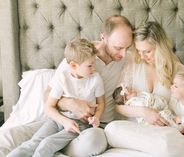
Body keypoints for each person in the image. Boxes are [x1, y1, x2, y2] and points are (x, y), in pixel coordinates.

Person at [115, 21, 184, 157]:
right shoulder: (133, 65)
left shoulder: (176, 69)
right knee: (111, 129)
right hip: (135, 129)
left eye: (147, 51)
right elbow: (118, 107)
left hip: (164, 132)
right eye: (138, 51)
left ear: (160, 47)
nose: (142, 56)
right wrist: (144, 112)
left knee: (166, 145)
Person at [43, 15, 134, 156]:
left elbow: (162, 60)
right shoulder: (82, 56)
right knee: (28, 137)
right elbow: (46, 95)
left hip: (97, 126)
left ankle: (54, 147)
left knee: (93, 141)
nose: (123, 53)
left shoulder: (128, 58)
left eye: (127, 47)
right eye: (118, 47)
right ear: (103, 37)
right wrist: (69, 103)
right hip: (65, 119)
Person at [6, 39, 105, 157]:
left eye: (94, 63)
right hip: (57, 120)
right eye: (90, 65)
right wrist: (65, 121)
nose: (93, 68)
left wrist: (96, 117)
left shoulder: (95, 79)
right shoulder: (62, 78)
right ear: (73, 65)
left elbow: (101, 103)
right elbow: (49, 107)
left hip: (80, 124)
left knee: (47, 144)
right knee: (32, 143)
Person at [112, 85, 184, 131]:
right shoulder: (132, 103)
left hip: (160, 108)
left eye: (131, 88)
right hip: (151, 119)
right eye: (130, 92)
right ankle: (180, 128)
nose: (133, 90)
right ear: (126, 100)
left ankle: (180, 124)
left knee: (168, 116)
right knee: (165, 119)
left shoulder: (139, 95)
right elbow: (145, 106)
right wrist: (146, 110)